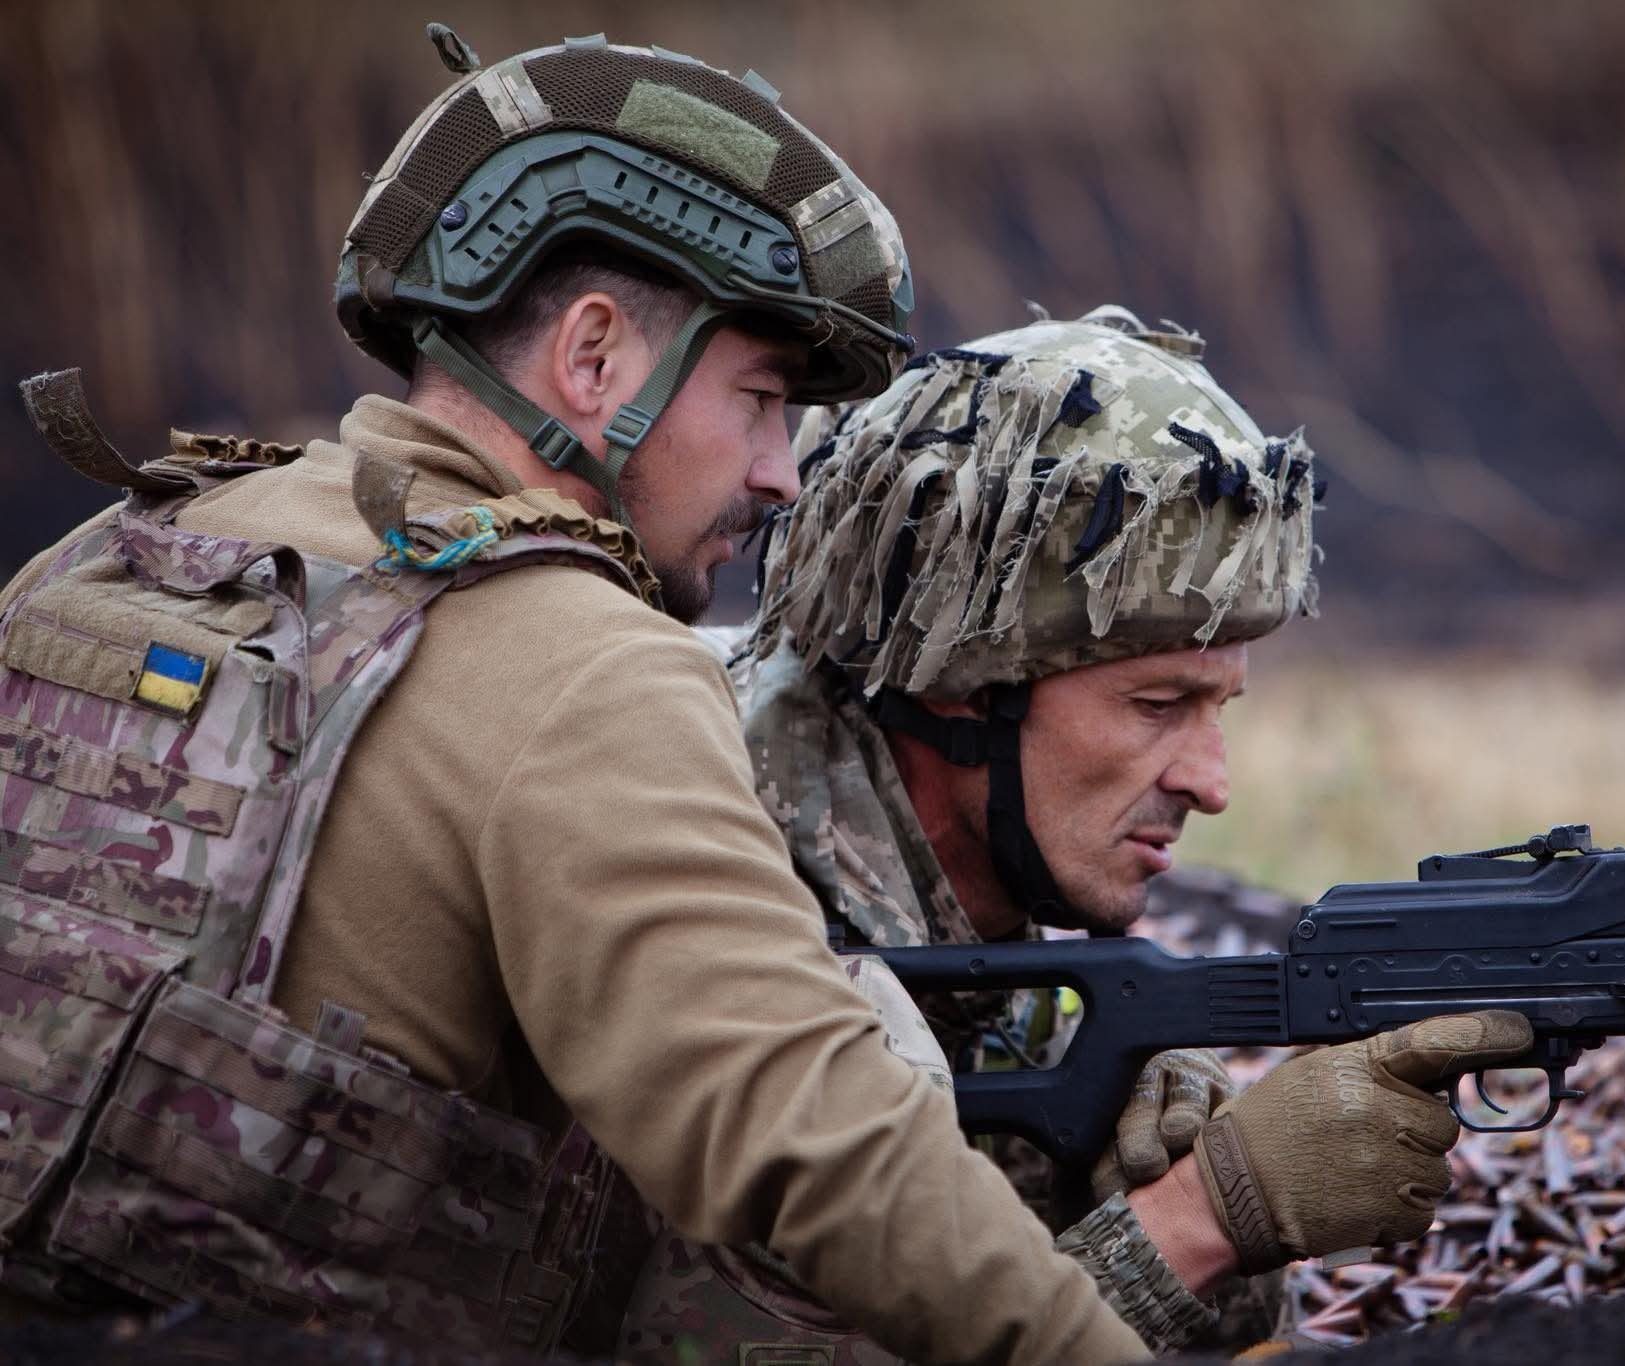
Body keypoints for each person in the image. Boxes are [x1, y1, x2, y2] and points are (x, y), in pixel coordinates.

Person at [0, 29, 1527, 1365]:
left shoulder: (129, 546)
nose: (783, 472)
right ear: (593, 356)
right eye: (761, 400)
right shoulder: (582, 666)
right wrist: (1188, 1238)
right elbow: (825, 1155)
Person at [614, 305, 1533, 1359]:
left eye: (1217, 708)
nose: (1211, 784)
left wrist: (1143, 1169)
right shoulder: (713, 889)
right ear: (963, 682)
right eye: (1156, 705)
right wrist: (1199, 1220)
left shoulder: (969, 907)